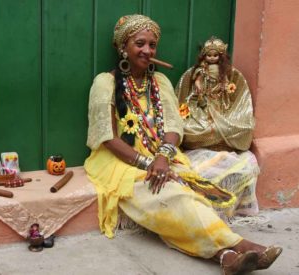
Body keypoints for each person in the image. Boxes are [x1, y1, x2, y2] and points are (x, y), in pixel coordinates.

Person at [84, 14, 281, 274]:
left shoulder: (160, 82)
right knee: (172, 196)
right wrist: (148, 163)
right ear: (123, 47)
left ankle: (226, 257)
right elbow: (107, 137)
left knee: (188, 194)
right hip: (120, 162)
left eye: (152, 45)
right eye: (139, 43)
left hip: (161, 157)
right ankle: (241, 244)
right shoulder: (105, 83)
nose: (147, 50)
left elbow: (174, 127)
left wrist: (163, 157)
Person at [175, 37, 259, 217]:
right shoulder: (199, 72)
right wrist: (199, 89)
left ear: (221, 57)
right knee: (191, 129)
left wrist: (223, 88)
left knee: (236, 128)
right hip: (202, 109)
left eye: (215, 56)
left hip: (220, 109)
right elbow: (195, 86)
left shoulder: (227, 73)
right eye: (209, 55)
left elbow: (229, 90)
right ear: (204, 56)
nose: (212, 59)